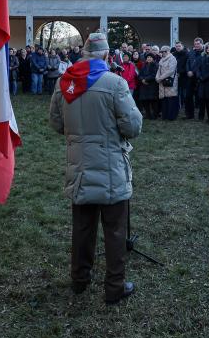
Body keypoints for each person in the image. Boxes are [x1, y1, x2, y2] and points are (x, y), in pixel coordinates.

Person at [49, 32, 143, 304]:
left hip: (79, 166)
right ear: (105, 56)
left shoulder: (64, 83)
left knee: (82, 228)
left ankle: (80, 279)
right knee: (114, 230)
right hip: (111, 166)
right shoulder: (115, 83)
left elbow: (56, 123)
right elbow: (133, 127)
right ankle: (114, 287)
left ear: (84, 53)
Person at [156, 46, 179, 120]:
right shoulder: (161, 59)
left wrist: (160, 78)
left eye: (163, 52)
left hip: (170, 81)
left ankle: (171, 116)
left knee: (171, 99)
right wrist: (157, 77)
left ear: (167, 51)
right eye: (161, 52)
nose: (162, 53)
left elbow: (171, 71)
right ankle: (165, 115)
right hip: (162, 82)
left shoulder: (172, 59)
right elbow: (159, 70)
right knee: (164, 99)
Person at [136, 52, 159, 119]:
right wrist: (142, 80)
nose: (149, 58)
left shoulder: (155, 65)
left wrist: (145, 79)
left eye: (150, 57)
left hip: (152, 85)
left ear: (153, 58)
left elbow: (154, 75)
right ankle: (148, 114)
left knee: (153, 102)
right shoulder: (144, 65)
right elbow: (140, 75)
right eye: (148, 57)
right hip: (144, 86)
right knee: (145, 101)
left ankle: (155, 115)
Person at [184, 38, 203, 119]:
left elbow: (200, 65)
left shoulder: (204, 53)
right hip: (190, 77)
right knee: (188, 96)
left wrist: (193, 71)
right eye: (195, 44)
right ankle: (189, 114)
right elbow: (187, 62)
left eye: (198, 44)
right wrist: (188, 71)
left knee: (200, 97)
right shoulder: (191, 52)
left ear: (202, 44)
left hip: (199, 77)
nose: (196, 45)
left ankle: (201, 115)